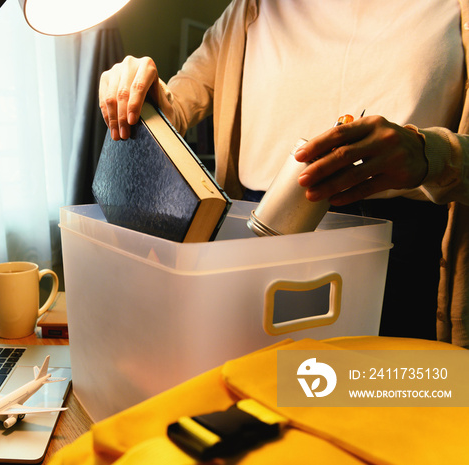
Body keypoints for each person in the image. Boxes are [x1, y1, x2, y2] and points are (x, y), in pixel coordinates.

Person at [98, 0, 469, 346]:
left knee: (380, 400)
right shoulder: (253, 9)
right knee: (262, 389)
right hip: (258, 237)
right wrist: (134, 88)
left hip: (404, 253)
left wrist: (431, 153)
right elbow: (173, 106)